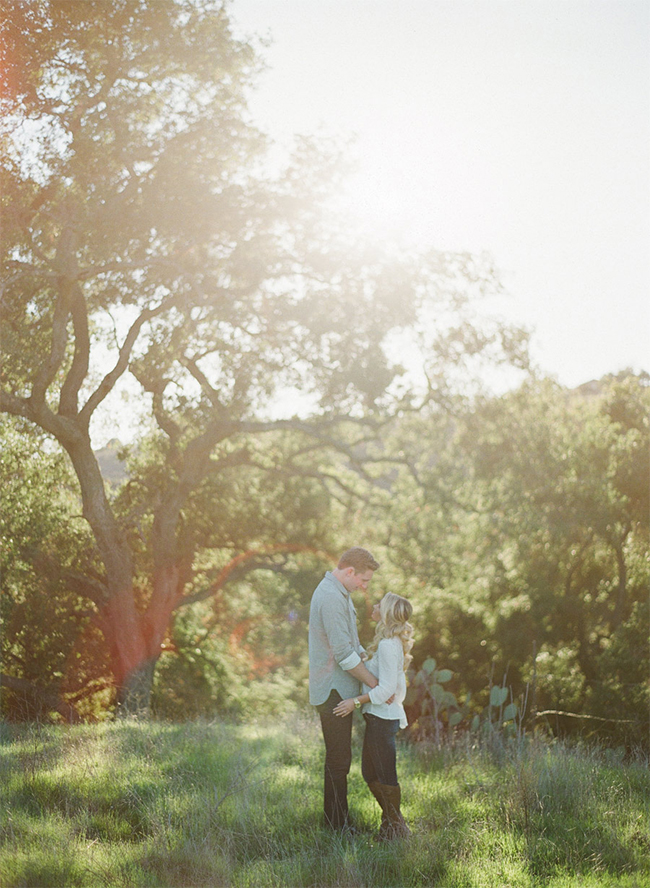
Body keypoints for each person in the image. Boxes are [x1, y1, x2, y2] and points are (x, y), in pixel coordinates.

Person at [308, 547, 381, 832]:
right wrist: (374, 683)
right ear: (350, 571)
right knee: (338, 761)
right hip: (333, 691)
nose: (364, 587)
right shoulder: (330, 596)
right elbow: (342, 654)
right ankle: (337, 826)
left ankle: (337, 821)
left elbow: (351, 643)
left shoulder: (340, 592)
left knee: (340, 759)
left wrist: (366, 657)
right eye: (364, 580)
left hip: (340, 688)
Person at [333, 591, 414, 840]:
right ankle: (393, 825)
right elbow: (384, 682)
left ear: (387, 612)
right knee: (370, 773)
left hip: (383, 718)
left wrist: (355, 702)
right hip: (377, 717)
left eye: (380, 604)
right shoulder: (388, 643)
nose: (375, 605)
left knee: (384, 774)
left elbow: (387, 689)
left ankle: (395, 829)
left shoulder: (389, 645)